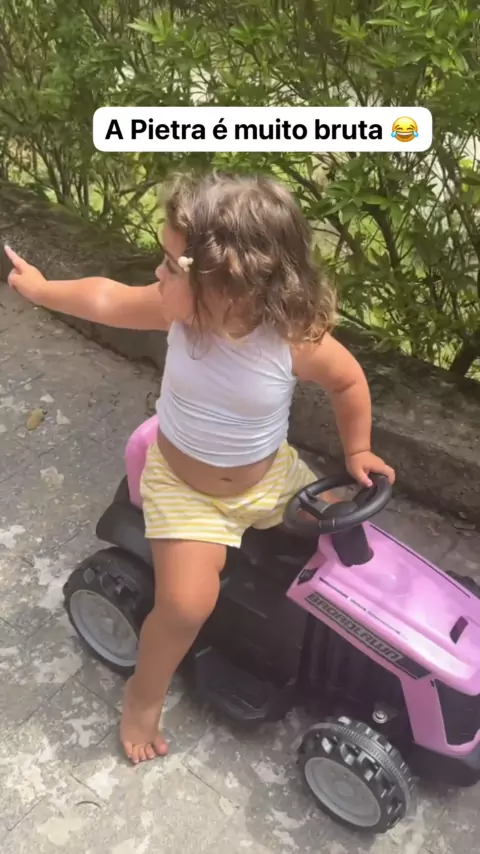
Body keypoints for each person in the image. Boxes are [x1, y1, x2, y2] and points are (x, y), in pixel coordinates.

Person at [5, 170, 395, 765]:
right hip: (186, 489)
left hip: (270, 478)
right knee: (186, 605)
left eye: (170, 264)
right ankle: (143, 695)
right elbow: (106, 298)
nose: (157, 273)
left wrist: (358, 451)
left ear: (229, 286)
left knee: (348, 537)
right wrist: (42, 290)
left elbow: (348, 382)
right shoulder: (180, 316)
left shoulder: (290, 339)